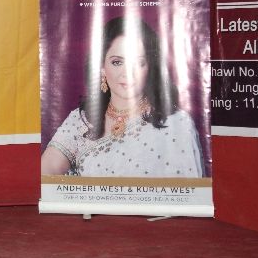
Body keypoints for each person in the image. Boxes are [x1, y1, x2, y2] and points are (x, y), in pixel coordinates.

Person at [41, 16, 204, 177]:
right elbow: (45, 172)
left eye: (138, 63)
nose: (127, 73)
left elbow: (187, 191)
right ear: (101, 68)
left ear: (149, 67)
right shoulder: (81, 119)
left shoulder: (177, 124)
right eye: (117, 62)